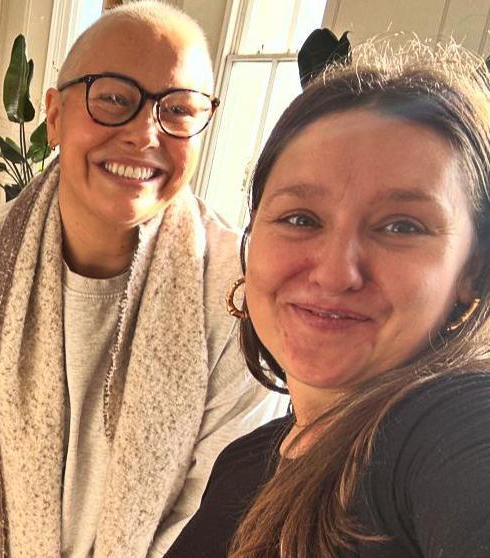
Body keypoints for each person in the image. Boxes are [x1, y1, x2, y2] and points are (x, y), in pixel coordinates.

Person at [0, 3, 283, 557]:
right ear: (54, 115)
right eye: (112, 97)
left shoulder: (237, 292)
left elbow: (214, 510)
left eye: (178, 109)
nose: (144, 133)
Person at [165, 41, 490, 558]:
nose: (336, 273)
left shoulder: (450, 428)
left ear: (472, 269)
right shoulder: (244, 463)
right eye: (300, 219)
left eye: (402, 226)